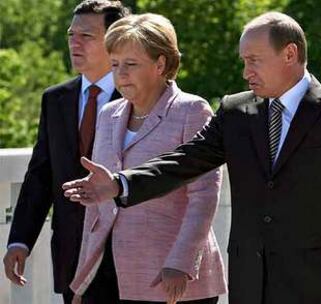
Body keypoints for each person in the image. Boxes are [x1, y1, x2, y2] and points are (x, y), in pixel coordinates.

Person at [63, 11, 321, 304]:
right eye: (244, 61)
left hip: (315, 284)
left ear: (289, 54)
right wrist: (121, 183)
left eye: (254, 61)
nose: (246, 72)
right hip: (248, 284)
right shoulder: (235, 110)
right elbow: (186, 160)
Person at [69, 14, 226, 304]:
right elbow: (97, 205)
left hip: (170, 277)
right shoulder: (108, 114)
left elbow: (203, 197)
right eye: (115, 65)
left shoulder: (192, 111)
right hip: (108, 272)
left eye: (131, 64)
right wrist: (82, 280)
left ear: (161, 64)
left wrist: (180, 262)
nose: (120, 74)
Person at [3, 1, 129, 303]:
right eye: (71, 34)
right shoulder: (55, 99)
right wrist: (19, 240)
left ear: (115, 40)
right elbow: (40, 176)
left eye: (86, 36)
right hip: (70, 255)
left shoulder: (138, 95)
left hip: (125, 257)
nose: (75, 42)